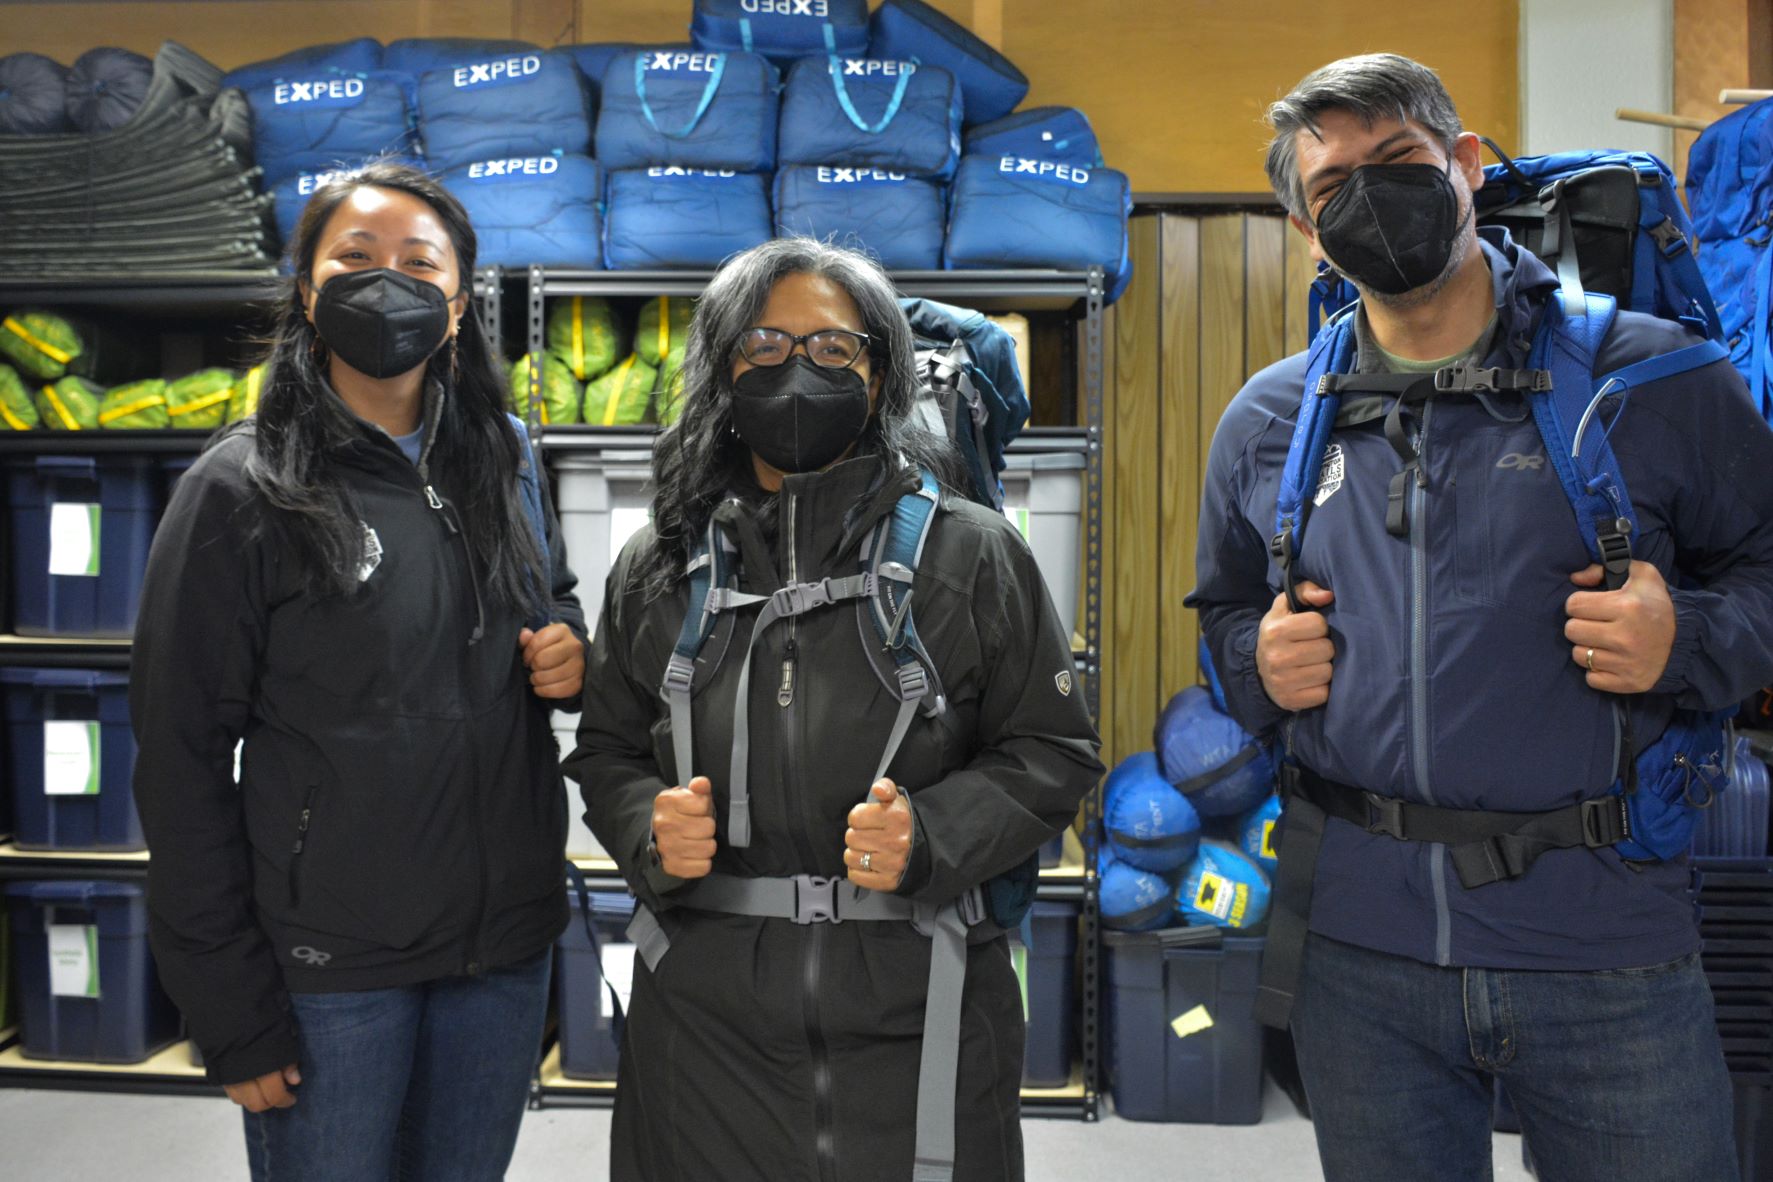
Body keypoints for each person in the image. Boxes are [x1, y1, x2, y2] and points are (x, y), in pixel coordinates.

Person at [1189, 53, 1773, 1182]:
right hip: (1359, 958)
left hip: (1607, 950)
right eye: (1333, 188)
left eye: (1397, 162)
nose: (1369, 198)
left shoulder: (1651, 381)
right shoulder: (1267, 421)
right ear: (1311, 235)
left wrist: (1686, 640)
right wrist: (1255, 663)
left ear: (1464, 164)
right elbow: (1222, 611)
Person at [564, 237, 1102, 1182]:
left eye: (831, 349)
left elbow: (1051, 752)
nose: (796, 370)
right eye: (763, 348)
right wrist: (645, 826)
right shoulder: (658, 565)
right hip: (703, 1023)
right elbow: (606, 747)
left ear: (880, 371)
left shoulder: (972, 553)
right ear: (721, 370)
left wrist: (934, 833)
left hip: (922, 1011)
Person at [130, 160, 587, 1181]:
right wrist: (229, 1009)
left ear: (460, 305)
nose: (389, 281)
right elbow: (180, 760)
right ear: (308, 292)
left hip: (499, 951)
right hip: (332, 972)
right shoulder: (241, 489)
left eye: (421, 263)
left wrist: (568, 647)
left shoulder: (506, 456)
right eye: (356, 258)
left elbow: (549, 599)